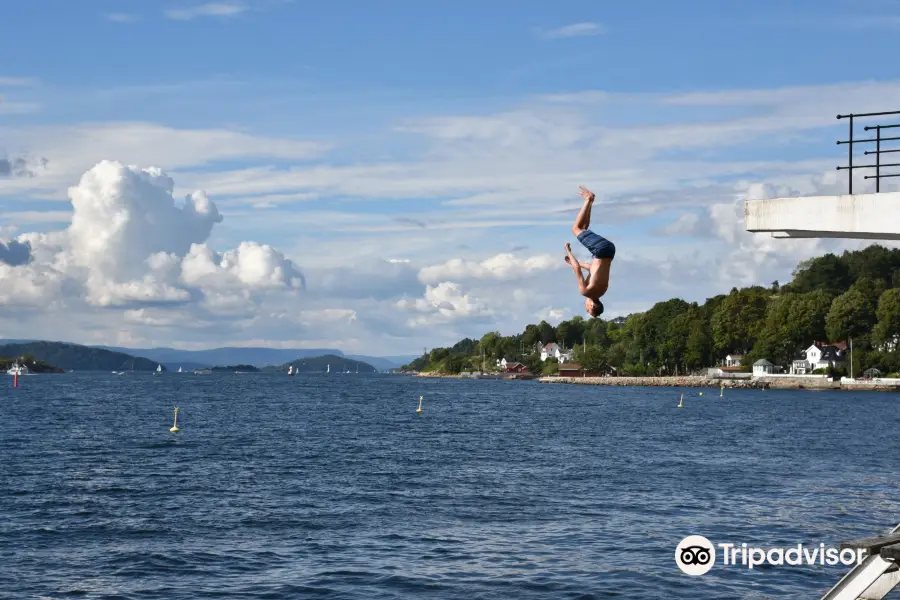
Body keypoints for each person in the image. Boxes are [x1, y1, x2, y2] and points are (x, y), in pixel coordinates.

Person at [564, 185, 615, 317]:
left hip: (609, 251)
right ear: (592, 306)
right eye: (588, 310)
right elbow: (577, 269)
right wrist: (569, 251)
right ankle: (588, 199)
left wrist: (575, 262)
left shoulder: (602, 290)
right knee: (576, 229)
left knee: (583, 229)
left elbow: (592, 268)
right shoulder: (586, 292)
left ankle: (590, 201)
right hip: (600, 250)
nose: (586, 308)